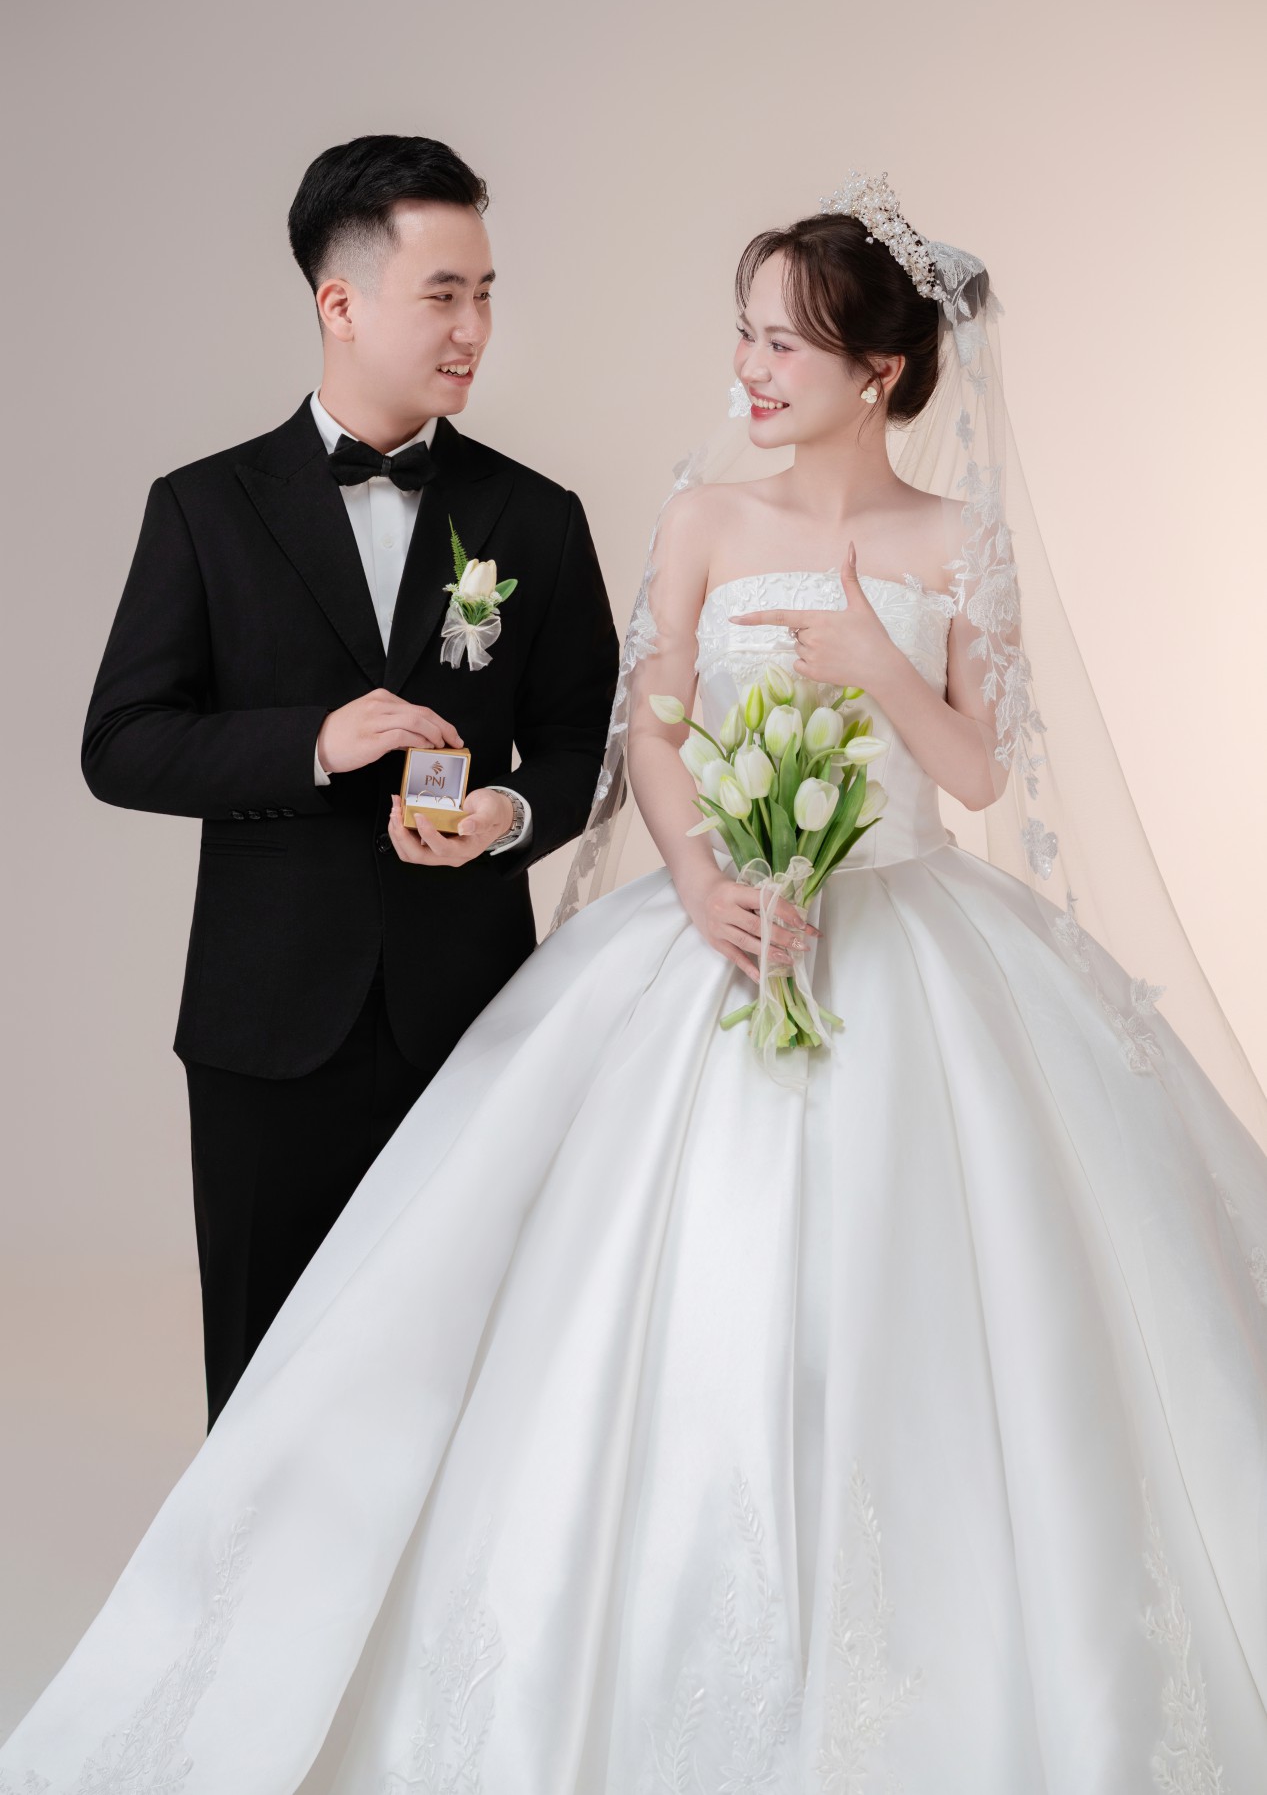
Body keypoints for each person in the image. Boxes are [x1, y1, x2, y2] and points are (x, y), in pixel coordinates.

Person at [5, 172, 1266, 1791]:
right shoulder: (681, 519)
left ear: (878, 370)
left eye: (782, 343)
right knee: (443, 1329)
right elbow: (648, 736)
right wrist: (698, 877)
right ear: (342, 299)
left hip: (897, 943)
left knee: (919, 1298)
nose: (749, 368)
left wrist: (870, 670)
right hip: (638, 943)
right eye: (745, 334)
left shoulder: (897, 540)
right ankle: (265, 1628)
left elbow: (943, 769)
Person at [78, 134, 619, 1428]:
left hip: (472, 1016)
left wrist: (508, 815)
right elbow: (123, 742)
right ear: (342, 303)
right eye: (444, 294)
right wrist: (316, 743)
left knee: (465, 1375)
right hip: (265, 1023)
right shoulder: (204, 508)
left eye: (485, 293)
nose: (474, 328)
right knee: (264, 1377)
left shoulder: (536, 517)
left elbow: (588, 747)